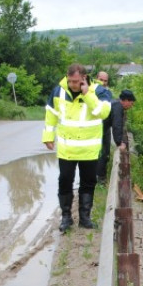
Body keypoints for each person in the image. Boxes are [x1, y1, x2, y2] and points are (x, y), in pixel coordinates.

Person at [43, 63, 112, 232]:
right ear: (67, 77)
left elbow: (103, 113)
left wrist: (87, 94)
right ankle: (66, 217)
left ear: (84, 78)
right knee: (65, 181)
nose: (73, 85)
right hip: (67, 149)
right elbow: (51, 115)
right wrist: (48, 136)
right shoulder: (58, 91)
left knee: (88, 183)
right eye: (70, 81)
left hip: (89, 149)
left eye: (76, 81)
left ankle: (85, 218)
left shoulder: (100, 91)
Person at [97, 89, 137, 180]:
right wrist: (119, 143)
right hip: (97, 131)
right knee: (102, 154)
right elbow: (117, 125)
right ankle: (99, 179)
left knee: (104, 153)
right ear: (126, 101)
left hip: (100, 130)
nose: (132, 106)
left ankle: (99, 177)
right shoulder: (118, 107)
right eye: (131, 103)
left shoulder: (115, 103)